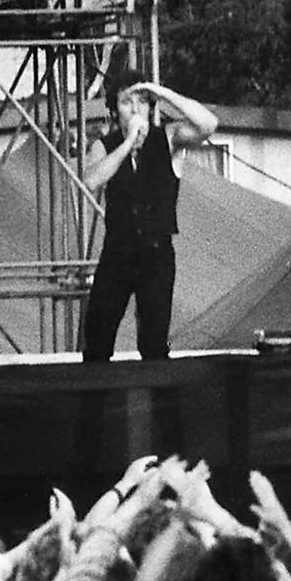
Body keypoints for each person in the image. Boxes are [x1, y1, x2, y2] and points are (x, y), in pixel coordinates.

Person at [80, 69, 219, 362]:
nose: (135, 109)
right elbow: (91, 180)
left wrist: (162, 93)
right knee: (97, 339)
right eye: (126, 102)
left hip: (156, 253)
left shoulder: (167, 138)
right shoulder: (104, 146)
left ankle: (161, 405)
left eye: (142, 102)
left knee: (154, 344)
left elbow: (208, 124)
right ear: (114, 109)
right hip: (117, 252)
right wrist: (128, 142)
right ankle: (96, 405)